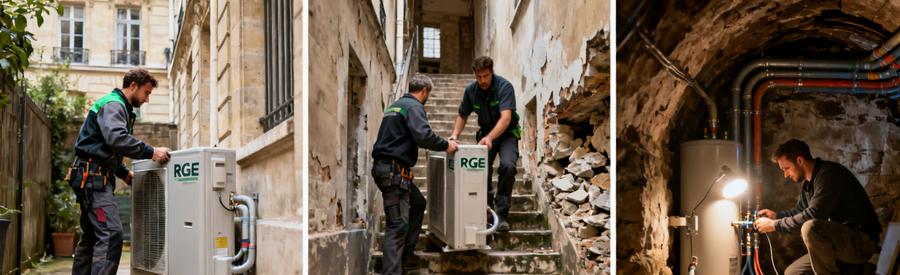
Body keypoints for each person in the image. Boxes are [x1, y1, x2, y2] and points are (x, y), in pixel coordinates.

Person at [68, 68, 171, 275]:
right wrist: (152, 152)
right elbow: (116, 139)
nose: (147, 99)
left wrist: (123, 173)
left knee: (91, 238)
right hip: (93, 181)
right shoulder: (114, 105)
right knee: (111, 234)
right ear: (133, 86)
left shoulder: (116, 105)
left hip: (90, 177)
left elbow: (105, 149)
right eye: (146, 92)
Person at [371, 73, 459, 274]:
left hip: (388, 169)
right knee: (397, 225)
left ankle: (407, 256)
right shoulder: (414, 107)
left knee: (418, 204)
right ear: (425, 91)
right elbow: (423, 135)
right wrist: (447, 145)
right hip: (393, 173)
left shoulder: (396, 105)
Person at [753, 139, 881, 275]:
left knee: (810, 227)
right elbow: (799, 211)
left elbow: (812, 215)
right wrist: (776, 216)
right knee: (792, 273)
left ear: (800, 161)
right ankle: (858, 270)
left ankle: (856, 268)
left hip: (860, 241)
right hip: (838, 243)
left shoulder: (829, 175)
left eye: (786, 168)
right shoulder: (808, 184)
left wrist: (775, 225)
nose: (785, 175)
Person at [449, 56, 521, 231]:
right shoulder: (471, 91)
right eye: (479, 77)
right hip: (485, 134)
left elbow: (506, 119)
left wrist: (491, 137)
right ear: (474, 74)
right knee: (481, 170)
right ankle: (487, 209)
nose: (482, 80)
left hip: (507, 134)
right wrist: (454, 134)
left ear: (492, 72)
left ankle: (502, 214)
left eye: (486, 76)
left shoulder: (504, 87)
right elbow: (462, 114)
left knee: (508, 166)